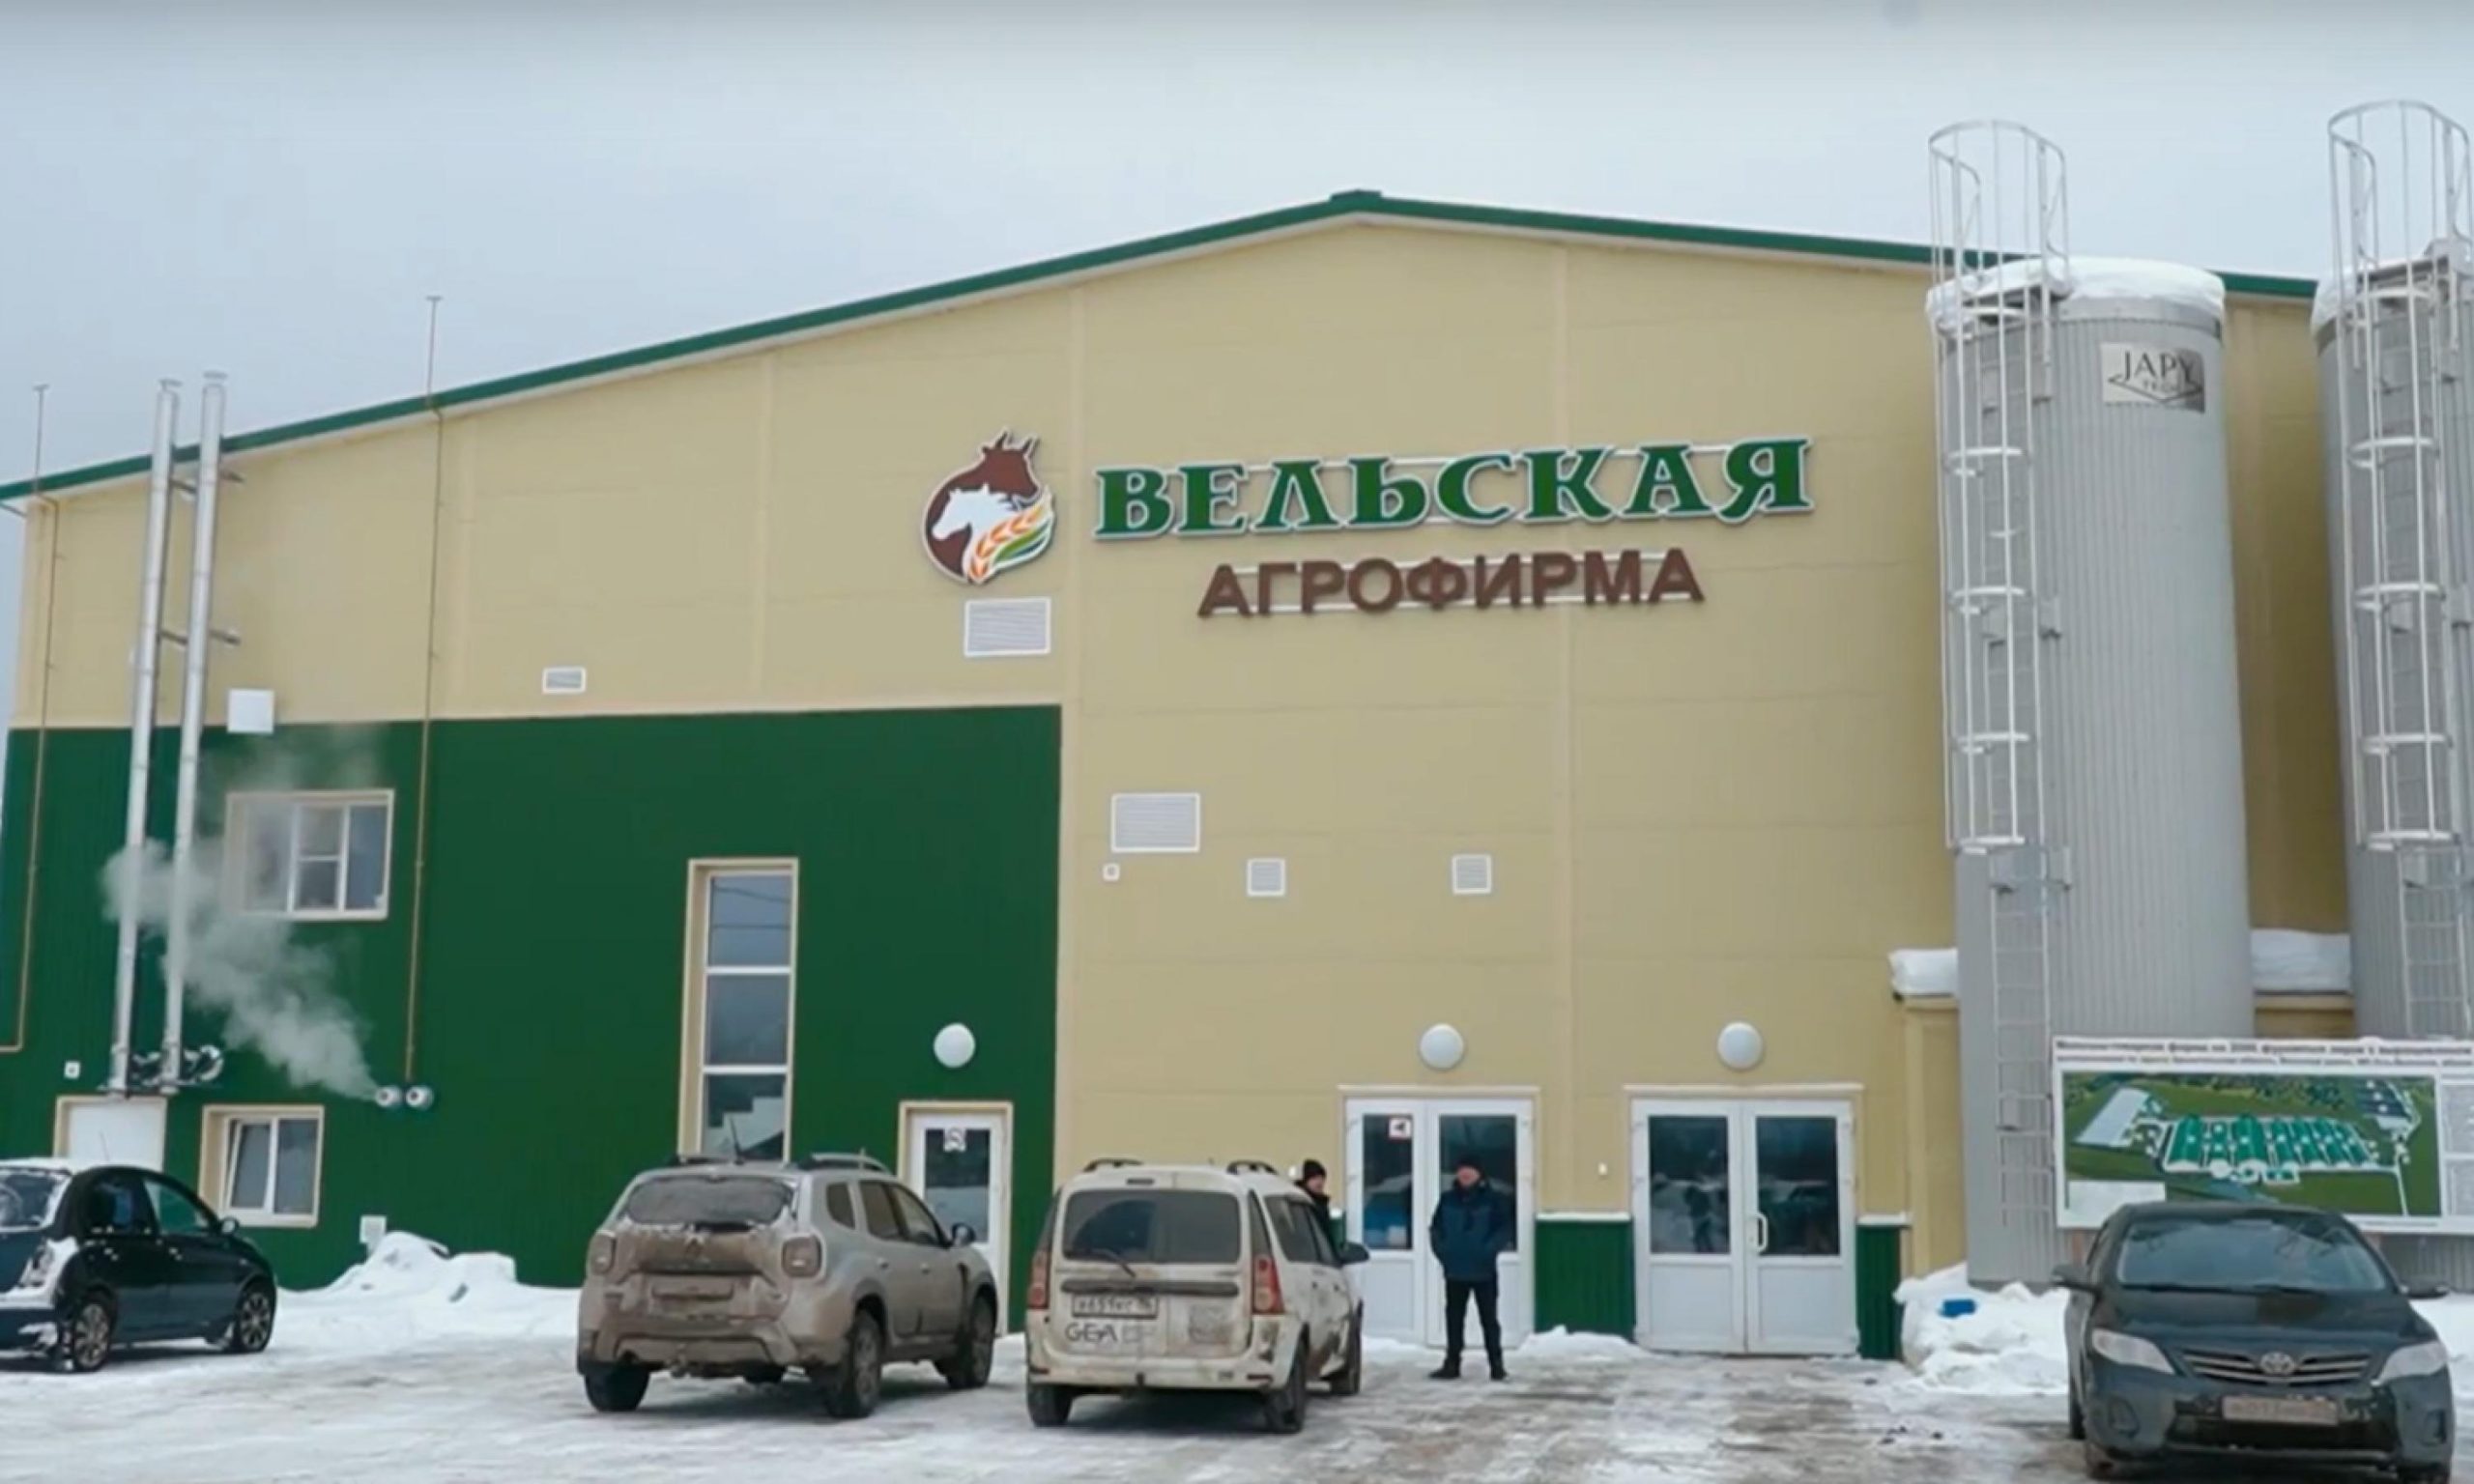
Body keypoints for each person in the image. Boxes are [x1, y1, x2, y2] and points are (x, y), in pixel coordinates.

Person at [1427, 1154, 1510, 1381]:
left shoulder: (1492, 1200)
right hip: (1455, 1270)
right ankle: (1452, 1363)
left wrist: (1488, 1251)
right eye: (1462, 1169)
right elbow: (1436, 1229)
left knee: (1489, 1319)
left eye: (1470, 1169)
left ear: (1479, 1174)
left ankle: (1496, 1364)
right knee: (1454, 1319)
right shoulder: (1447, 1200)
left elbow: (1504, 1230)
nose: (1465, 1173)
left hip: (1484, 1271)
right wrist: (1444, 1253)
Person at [1296, 1159, 1332, 1224]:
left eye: (1322, 1178)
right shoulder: (1300, 1201)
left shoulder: (1322, 1202)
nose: (1319, 1182)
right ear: (1306, 1180)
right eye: (1314, 1178)